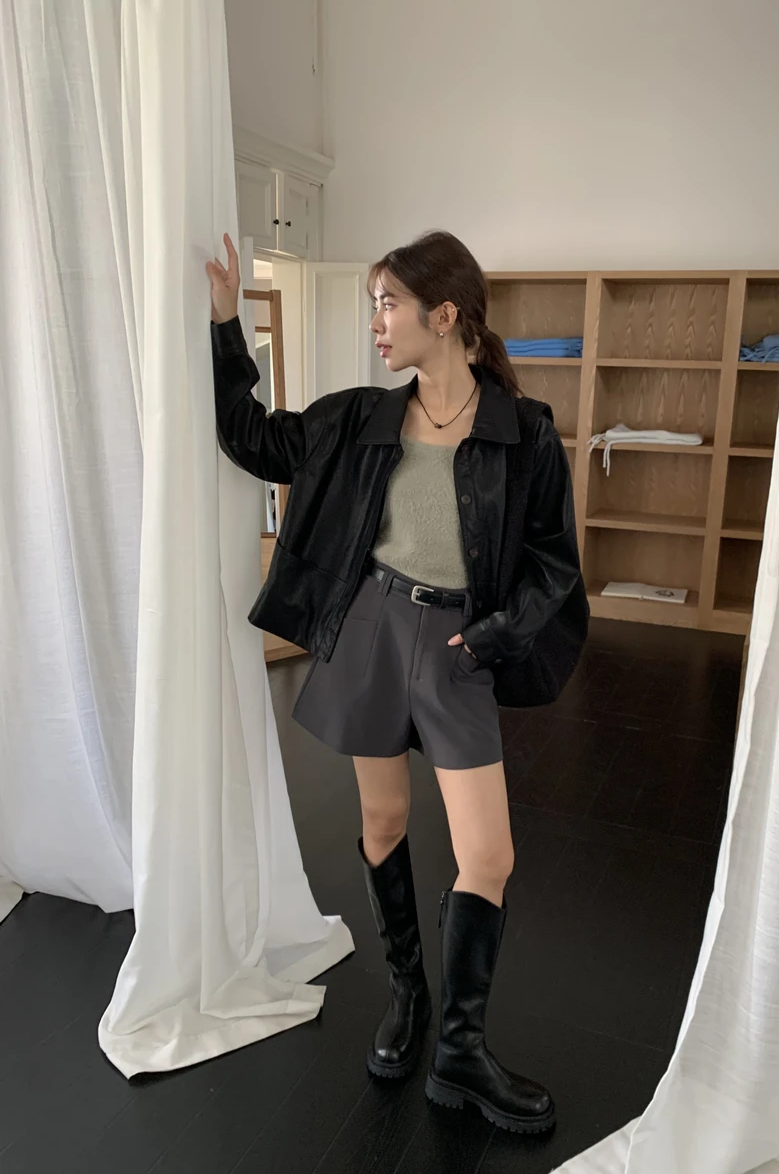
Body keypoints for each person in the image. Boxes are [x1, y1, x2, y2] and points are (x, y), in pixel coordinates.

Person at [206, 229, 587, 1135]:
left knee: (488, 856)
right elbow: (252, 437)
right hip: (371, 631)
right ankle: (410, 996)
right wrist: (225, 326)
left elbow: (553, 564)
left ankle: (460, 1051)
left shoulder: (523, 431)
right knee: (382, 823)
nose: (376, 322)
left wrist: (493, 636)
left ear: (443, 314)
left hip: (459, 646)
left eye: (388, 303)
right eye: (373, 304)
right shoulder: (359, 419)